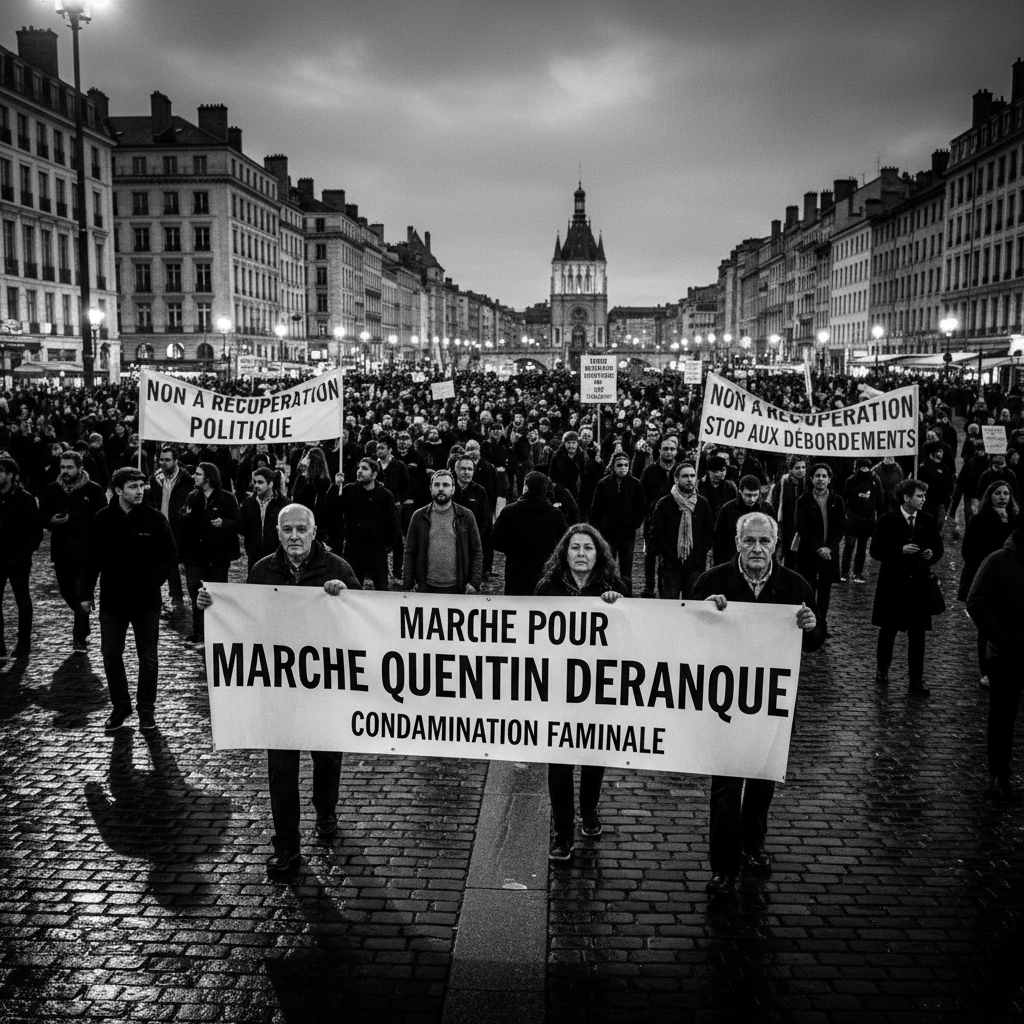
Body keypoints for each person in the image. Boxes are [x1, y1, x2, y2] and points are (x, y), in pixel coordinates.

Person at [198, 503, 362, 870]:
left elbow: (363, 620)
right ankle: (287, 848)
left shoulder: (337, 568)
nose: (294, 536)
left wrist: (346, 596)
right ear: (277, 533)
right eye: (287, 529)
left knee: (327, 759)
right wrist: (212, 606)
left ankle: (326, 810)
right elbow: (242, 618)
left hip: (324, 690)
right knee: (281, 772)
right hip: (279, 691)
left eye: (301, 529)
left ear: (314, 532)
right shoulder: (262, 570)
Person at [692, 511, 823, 895]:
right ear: (737, 544)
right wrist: (704, 612)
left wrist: (812, 626)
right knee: (727, 786)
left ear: (775, 545)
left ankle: (754, 842)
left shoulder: (795, 585)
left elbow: (816, 640)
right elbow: (686, 637)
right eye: (749, 541)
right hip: (725, 705)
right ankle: (723, 866)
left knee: (764, 780)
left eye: (764, 541)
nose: (757, 549)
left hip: (772, 704)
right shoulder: (713, 582)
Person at [534, 524, 627, 861]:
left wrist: (617, 606)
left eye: (588, 548)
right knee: (559, 764)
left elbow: (631, 634)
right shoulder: (547, 589)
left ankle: (589, 811)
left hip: (599, 689)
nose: (582, 554)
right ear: (565, 553)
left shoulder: (612, 587)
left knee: (593, 756)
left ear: (598, 553)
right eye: (575, 548)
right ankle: (563, 832)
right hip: (559, 689)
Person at [79, 467, 178, 730]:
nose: (139, 491)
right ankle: (120, 707)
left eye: (141, 486)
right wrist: (85, 593)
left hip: (146, 602)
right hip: (113, 601)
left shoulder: (154, 519)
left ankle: (146, 710)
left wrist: (151, 582)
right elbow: (91, 559)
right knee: (111, 655)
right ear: (118, 490)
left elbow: (170, 557)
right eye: (133, 486)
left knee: (148, 658)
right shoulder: (102, 519)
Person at [966, 522, 1024, 803]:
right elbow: (976, 603)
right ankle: (999, 774)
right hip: (1006, 656)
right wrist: (1003, 637)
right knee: (1002, 718)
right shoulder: (997, 561)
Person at [869, 479, 944, 696]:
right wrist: (899, 550)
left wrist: (932, 554)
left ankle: (916, 680)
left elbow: (937, 546)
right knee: (889, 630)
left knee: (918, 634)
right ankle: (882, 669)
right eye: (919, 496)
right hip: (893, 584)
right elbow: (875, 550)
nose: (923, 500)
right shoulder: (888, 520)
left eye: (924, 496)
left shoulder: (927, 520)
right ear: (906, 497)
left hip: (918, 585)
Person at [39, 450, 107, 653]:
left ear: (80, 468)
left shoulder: (93, 490)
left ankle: (79, 638)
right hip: (61, 551)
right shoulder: (53, 489)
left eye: (69, 467)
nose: (65, 471)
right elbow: (41, 514)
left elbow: (103, 518)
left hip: (86, 553)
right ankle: (83, 616)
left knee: (80, 593)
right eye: (62, 467)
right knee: (67, 593)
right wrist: (51, 520)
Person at [958, 481, 1019, 689]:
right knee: (986, 627)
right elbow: (968, 551)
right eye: (998, 493)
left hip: (1011, 580)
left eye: (1006, 494)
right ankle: (986, 669)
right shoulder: (979, 520)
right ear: (990, 496)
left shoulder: (1016, 520)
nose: (1003, 497)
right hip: (988, 578)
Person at [178, 462, 241, 643]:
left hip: (218, 556)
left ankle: (217, 630)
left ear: (208, 477)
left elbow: (238, 522)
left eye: (198, 474)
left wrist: (224, 523)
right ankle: (198, 630)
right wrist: (185, 516)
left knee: (216, 592)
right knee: (195, 591)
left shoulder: (226, 498)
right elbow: (181, 522)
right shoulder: (193, 497)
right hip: (195, 555)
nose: (194, 476)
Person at [402, 470, 482, 594]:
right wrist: (408, 585)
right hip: (426, 587)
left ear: (453, 489)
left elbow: (476, 551)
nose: (440, 489)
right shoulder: (419, 516)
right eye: (436, 485)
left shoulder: (466, 516)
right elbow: (409, 551)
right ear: (430, 488)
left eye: (445, 485)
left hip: (458, 587)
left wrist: (474, 583)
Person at [491, 470, 568, 596]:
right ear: (545, 490)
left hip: (516, 571)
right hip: (545, 572)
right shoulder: (556, 515)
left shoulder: (510, 511)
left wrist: (511, 549)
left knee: (516, 611)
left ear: (525, 487)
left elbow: (495, 541)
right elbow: (565, 543)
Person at [649, 461, 714, 599]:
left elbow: (708, 532)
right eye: (685, 476)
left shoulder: (702, 504)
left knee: (693, 607)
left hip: (695, 565)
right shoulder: (664, 503)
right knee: (669, 607)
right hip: (670, 566)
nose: (690, 479)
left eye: (692, 476)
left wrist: (700, 551)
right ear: (676, 479)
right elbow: (656, 533)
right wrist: (668, 553)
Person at [794, 462, 845, 636]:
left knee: (825, 590)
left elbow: (840, 527)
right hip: (809, 552)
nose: (821, 479)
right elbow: (801, 527)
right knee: (808, 589)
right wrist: (818, 549)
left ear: (829, 479)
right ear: (811, 479)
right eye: (817, 476)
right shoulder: (803, 500)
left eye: (824, 476)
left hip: (829, 554)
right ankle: (809, 626)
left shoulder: (837, 501)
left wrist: (829, 548)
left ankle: (821, 625)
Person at [0, 456, 43, 661]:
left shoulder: (25, 499)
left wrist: (22, 555)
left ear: (10, 475)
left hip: (19, 559)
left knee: (23, 601)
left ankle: (23, 643)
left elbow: (35, 533)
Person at [338, 458, 399, 591]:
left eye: (365, 469)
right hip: (353, 549)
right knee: (351, 589)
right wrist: (336, 487)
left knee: (381, 589)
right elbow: (333, 510)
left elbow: (392, 524)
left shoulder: (385, 495)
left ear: (374, 474)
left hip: (376, 550)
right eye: (359, 468)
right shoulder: (349, 490)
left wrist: (386, 545)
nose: (359, 471)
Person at [588, 451, 648, 585]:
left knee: (626, 568)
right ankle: (605, 591)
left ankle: (627, 595)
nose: (623, 468)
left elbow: (642, 507)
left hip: (628, 535)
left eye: (626, 465)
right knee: (607, 566)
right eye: (620, 465)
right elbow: (595, 509)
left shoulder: (635, 484)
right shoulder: (603, 484)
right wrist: (599, 527)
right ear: (613, 466)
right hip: (608, 534)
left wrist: (634, 524)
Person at [147, 445, 192, 614]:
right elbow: (151, 499)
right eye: (161, 460)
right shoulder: (156, 478)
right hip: (162, 524)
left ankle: (192, 593)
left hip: (180, 526)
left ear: (176, 460)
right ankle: (175, 595)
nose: (163, 463)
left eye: (167, 460)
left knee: (185, 561)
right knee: (169, 561)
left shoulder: (186, 479)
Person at [713, 474, 777, 568]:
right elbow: (719, 542)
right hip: (732, 563)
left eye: (755, 495)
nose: (752, 499)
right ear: (740, 492)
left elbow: (773, 539)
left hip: (760, 562)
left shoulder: (767, 509)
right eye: (748, 495)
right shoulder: (727, 510)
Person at [238, 466, 288, 576]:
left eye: (260, 482)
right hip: (254, 555)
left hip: (277, 554)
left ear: (270, 484)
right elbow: (242, 527)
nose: (256, 486)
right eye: (255, 482)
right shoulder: (248, 503)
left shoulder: (283, 504)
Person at [841, 458, 883, 583]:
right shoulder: (851, 480)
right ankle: (844, 572)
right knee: (849, 544)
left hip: (867, 518)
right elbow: (845, 497)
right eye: (862, 467)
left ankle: (857, 573)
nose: (864, 470)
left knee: (862, 547)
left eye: (866, 467)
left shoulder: (875, 480)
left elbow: (880, 498)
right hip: (853, 517)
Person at [773, 455, 808, 569]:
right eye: (797, 468)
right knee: (790, 557)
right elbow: (776, 504)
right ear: (791, 469)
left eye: (803, 467)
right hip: (788, 526)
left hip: (806, 527)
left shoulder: (809, 484)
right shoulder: (783, 484)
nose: (801, 470)